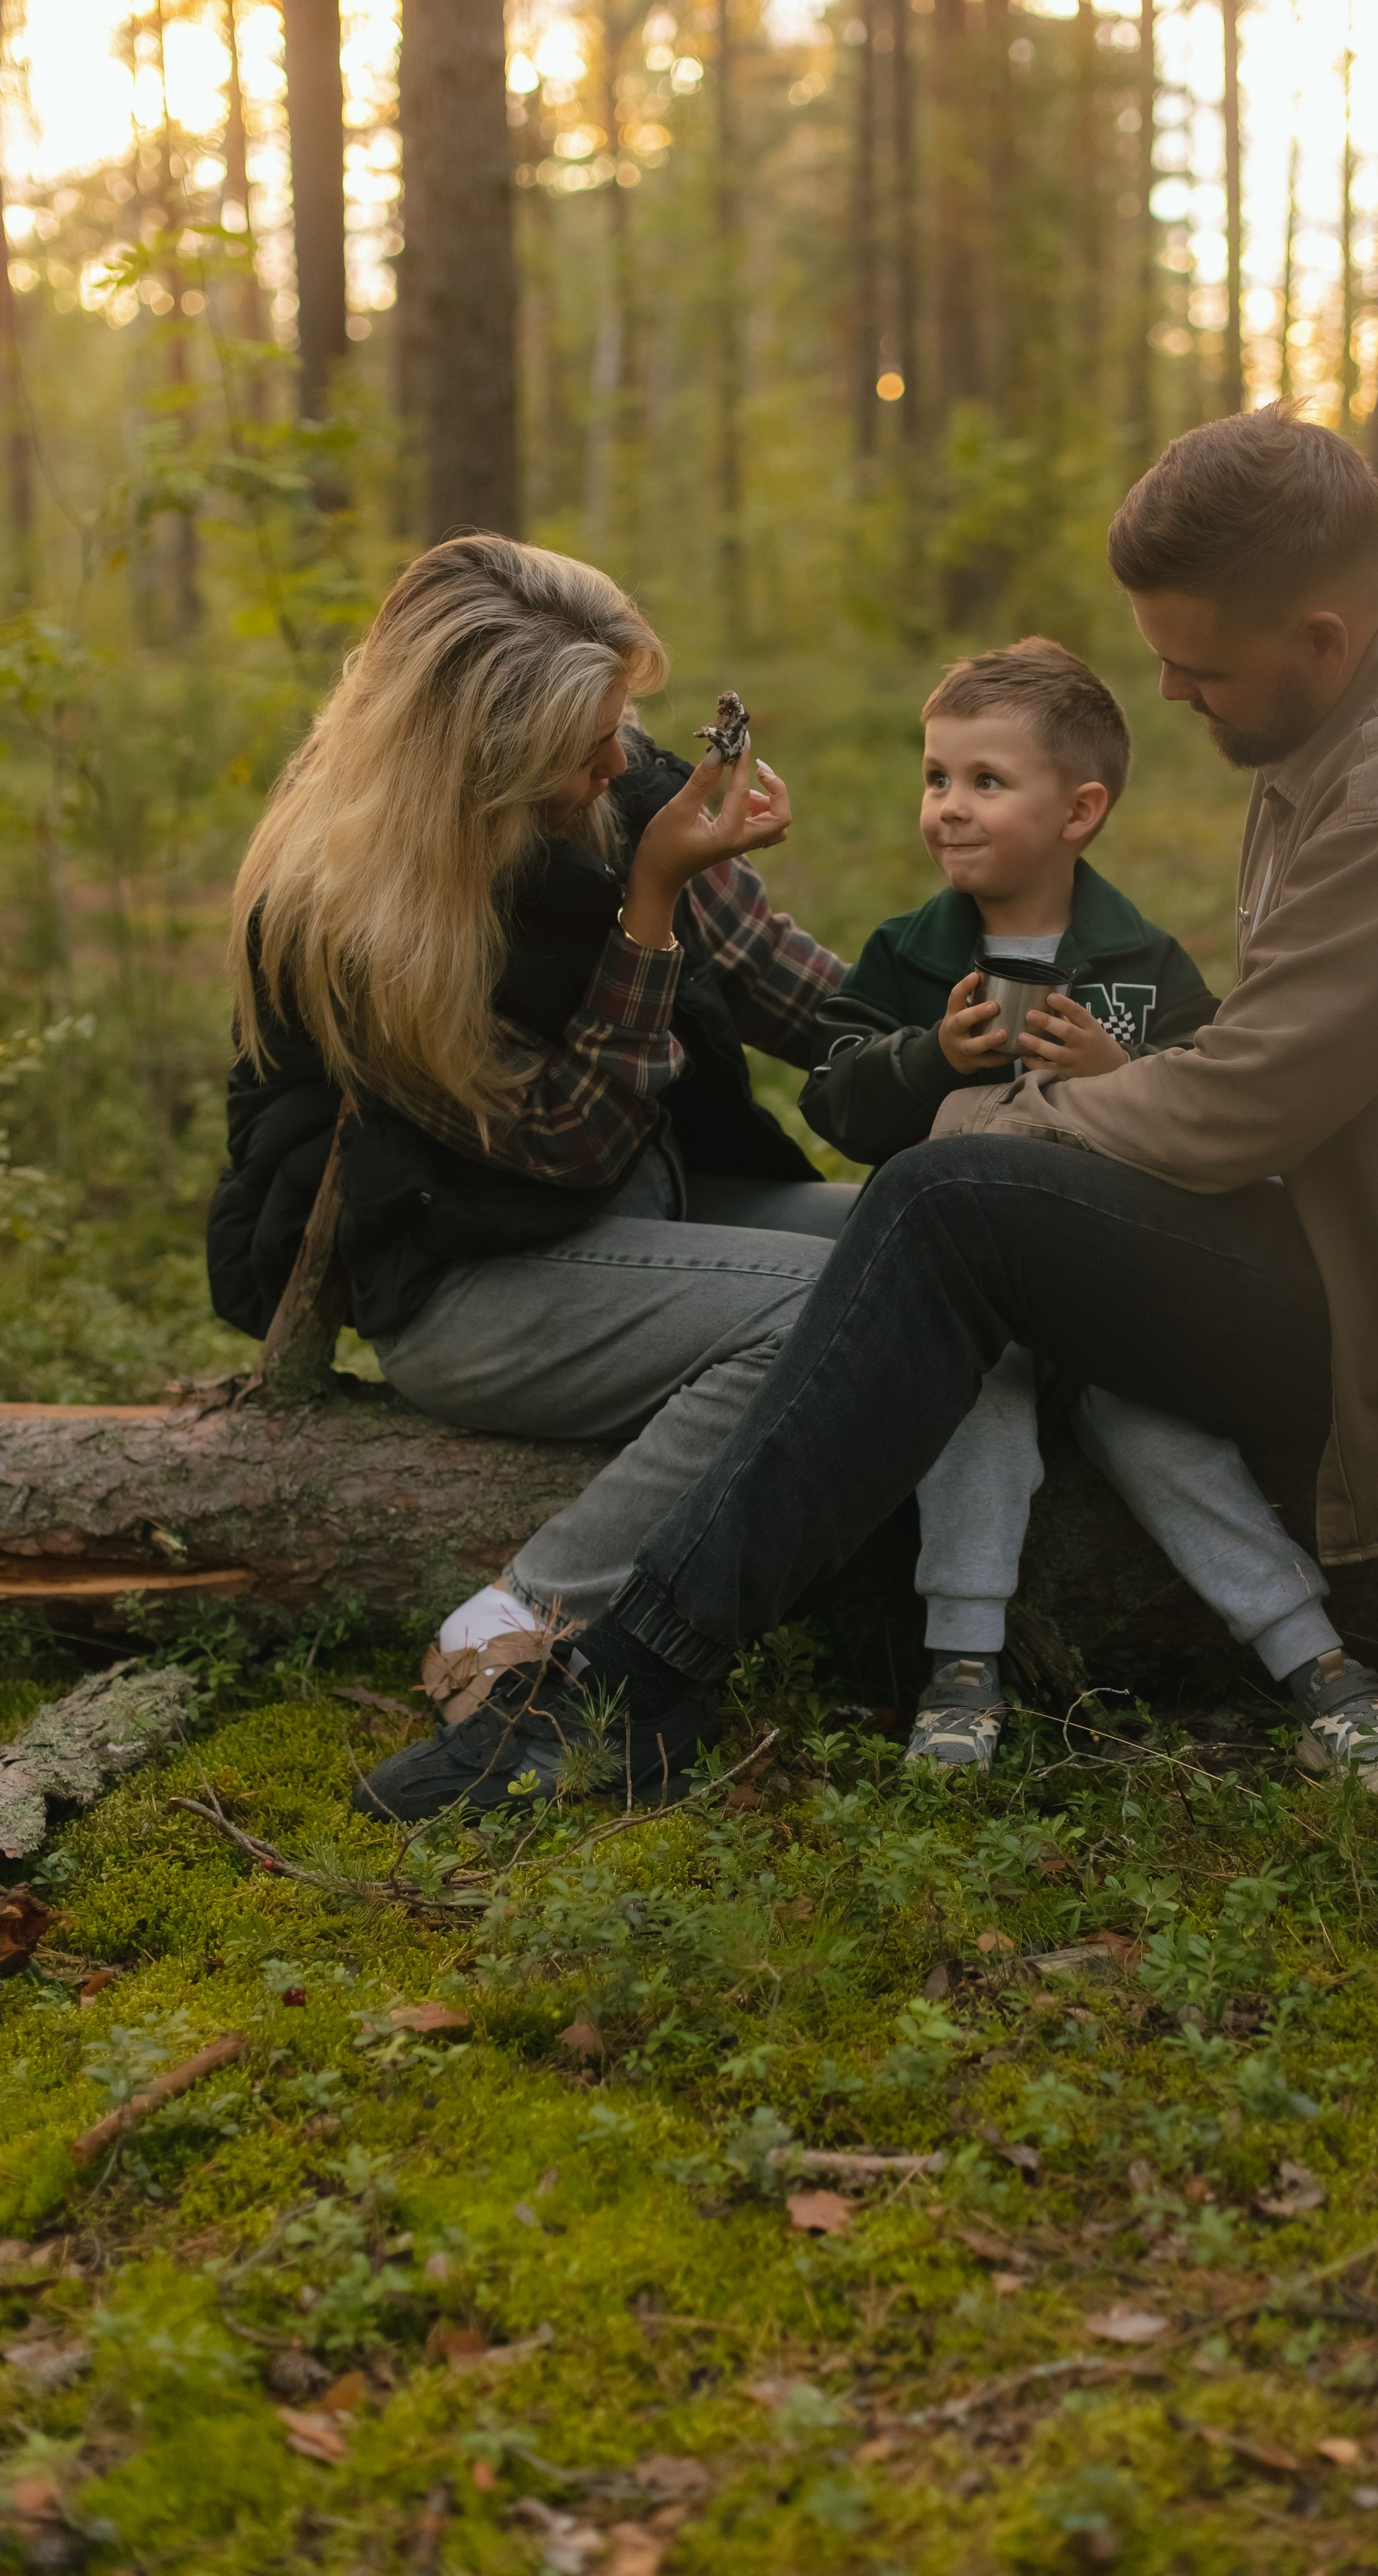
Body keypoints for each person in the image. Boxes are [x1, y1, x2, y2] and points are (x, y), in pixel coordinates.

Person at [484, 407, 1378, 1777]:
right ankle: (672, 1655)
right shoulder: (1376, 697)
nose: (1174, 696)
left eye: (1198, 669)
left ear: (1318, 637)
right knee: (950, 1194)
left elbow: (1242, 1102)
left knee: (954, 1193)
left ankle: (636, 1675)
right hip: (1363, 1223)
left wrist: (987, 1116)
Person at [207, 536, 1056, 1817]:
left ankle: (958, 1653)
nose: (616, 763)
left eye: (622, 721)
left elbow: (799, 995)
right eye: (584, 745)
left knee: (954, 1247)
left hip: (647, 1208)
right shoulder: (356, 917)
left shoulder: (619, 782)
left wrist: (973, 1047)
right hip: (469, 1284)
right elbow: (569, 1142)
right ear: (478, 762)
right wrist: (650, 904)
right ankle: (520, 1619)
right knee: (832, 1312)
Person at [801, 636, 1378, 1785]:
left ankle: (1317, 1662)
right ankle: (963, 1663)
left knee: (1165, 1435)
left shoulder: (1138, 961)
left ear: (1080, 810)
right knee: (972, 1405)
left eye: (987, 782)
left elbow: (1223, 1105)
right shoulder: (907, 956)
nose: (949, 809)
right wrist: (928, 1058)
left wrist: (1114, 1068)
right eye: (937, 778)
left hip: (1107, 1280)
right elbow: (835, 1099)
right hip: (979, 1305)